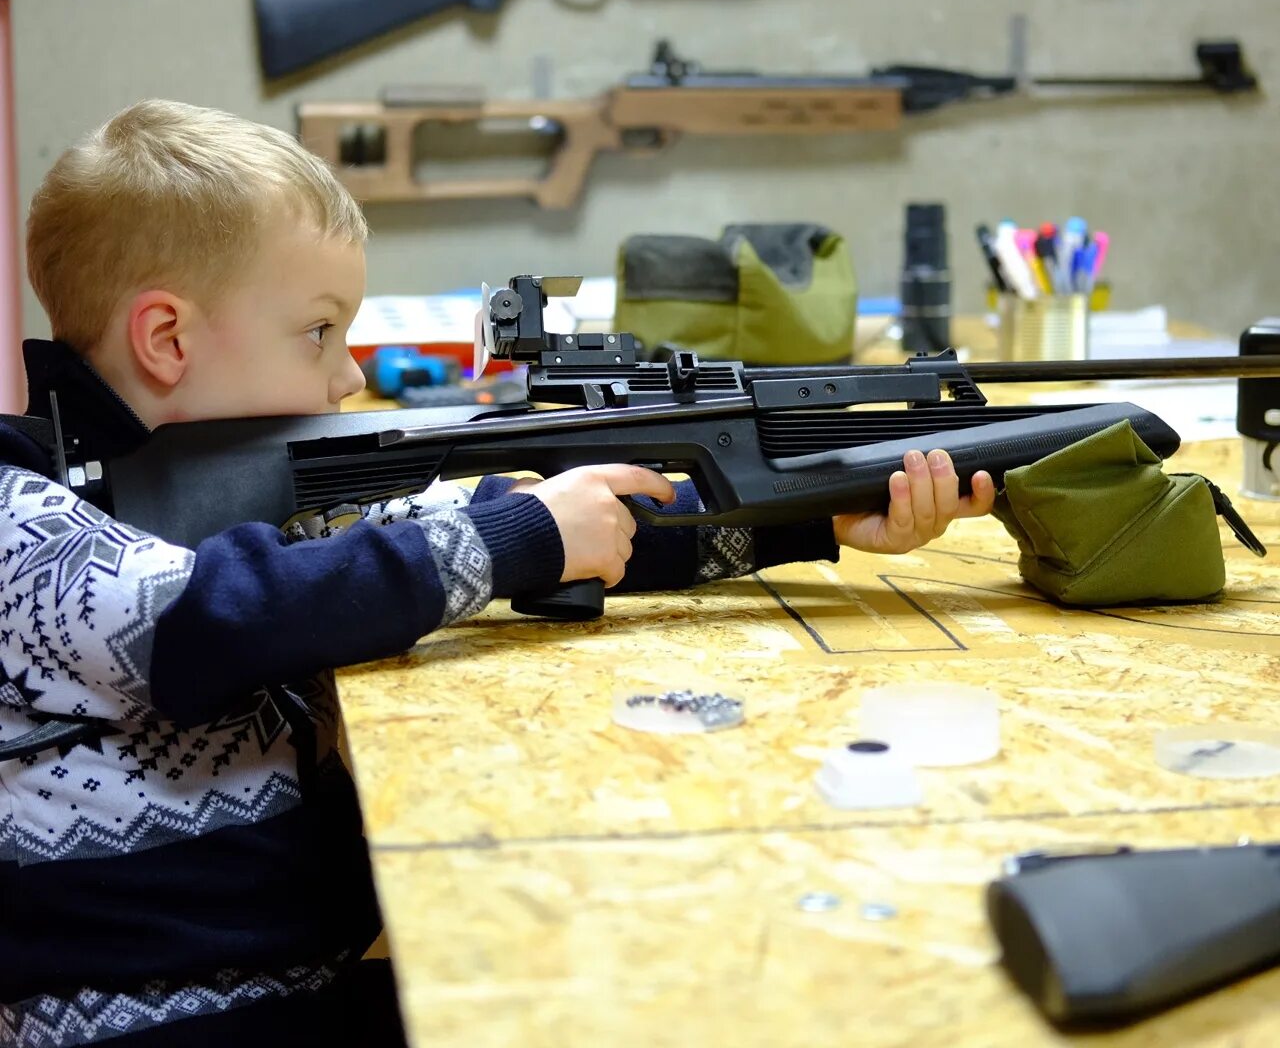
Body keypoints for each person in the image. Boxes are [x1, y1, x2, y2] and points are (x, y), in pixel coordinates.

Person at [0, 100, 995, 1046]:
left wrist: (802, 517)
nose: (347, 374)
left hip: (288, 974)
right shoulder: (20, 515)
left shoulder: (247, 495)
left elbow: (542, 534)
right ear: (167, 337)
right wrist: (514, 536)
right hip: (148, 1017)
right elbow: (210, 617)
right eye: (317, 331)